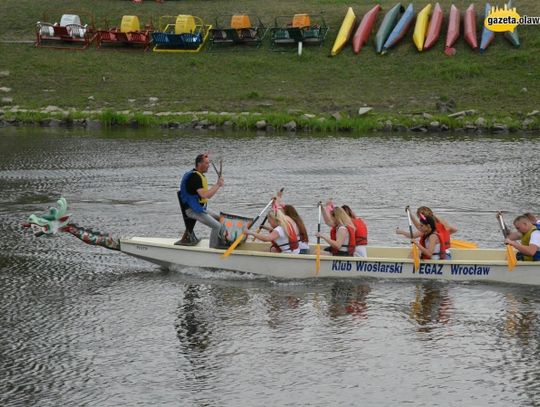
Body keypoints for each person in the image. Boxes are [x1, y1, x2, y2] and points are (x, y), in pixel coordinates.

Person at [176, 153, 225, 247]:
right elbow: (206, 195)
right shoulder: (195, 178)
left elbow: (204, 196)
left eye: (209, 163)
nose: (209, 165)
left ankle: (222, 242)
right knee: (217, 226)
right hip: (192, 210)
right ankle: (214, 248)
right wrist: (218, 185)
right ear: (199, 164)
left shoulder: (199, 175)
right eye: (206, 163)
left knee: (221, 219)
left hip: (200, 208)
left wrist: (217, 184)